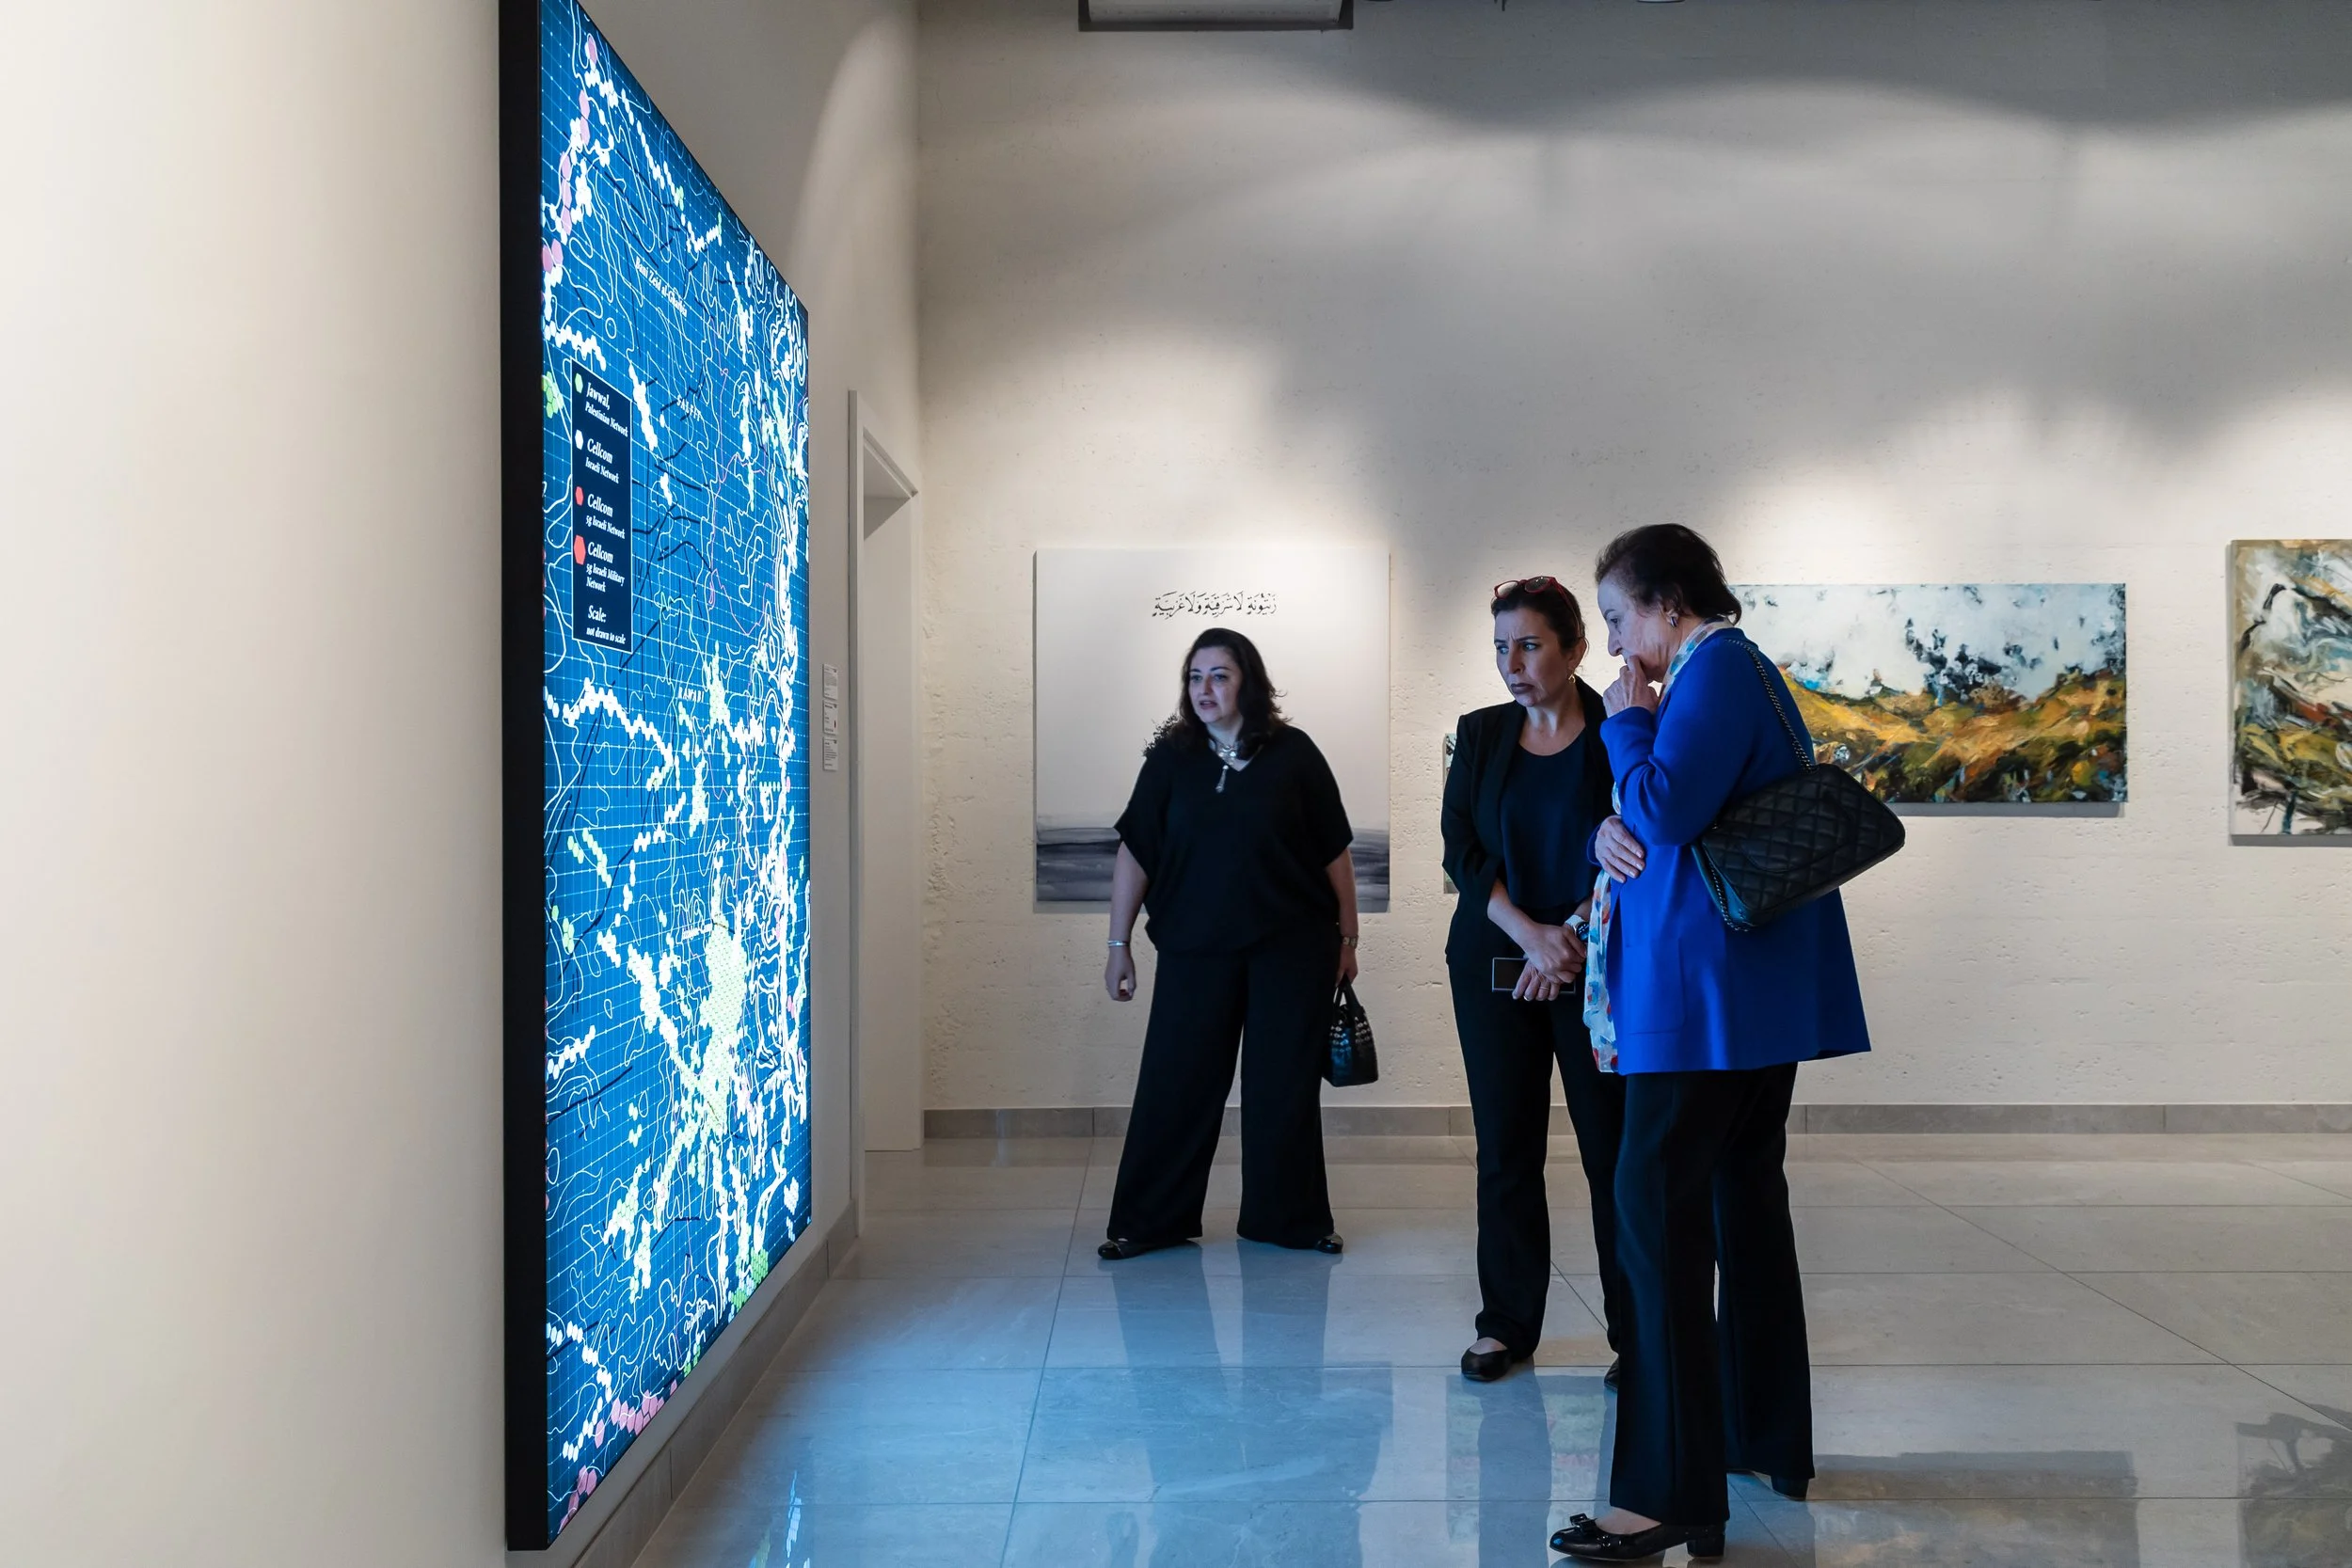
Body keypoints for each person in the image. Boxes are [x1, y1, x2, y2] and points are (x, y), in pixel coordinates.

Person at [1549, 525, 1871, 1565]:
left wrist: (1624, 728)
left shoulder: (1712, 670)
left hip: (1703, 1009)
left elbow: (1668, 806)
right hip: (1730, 1005)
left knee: (1653, 1224)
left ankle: (1665, 1494)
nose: (1610, 646)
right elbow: (1658, 819)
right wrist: (1618, 814)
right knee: (1738, 1207)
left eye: (1614, 618)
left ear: (1667, 602)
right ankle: (1757, 1434)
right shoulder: (1724, 671)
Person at [1098, 627, 1360, 1260]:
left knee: (1284, 1087)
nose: (1205, 688)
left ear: (1249, 680)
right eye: (1195, 676)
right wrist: (1118, 942)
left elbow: (1335, 854)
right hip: (1195, 949)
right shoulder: (1171, 760)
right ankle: (1150, 1221)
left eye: (1219, 674)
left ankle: (1289, 1220)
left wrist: (1348, 935)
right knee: (1176, 1081)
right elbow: (1136, 852)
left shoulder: (1294, 754)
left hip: (1292, 949)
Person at [1441, 577, 1629, 1386]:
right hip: (1495, 962)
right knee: (1506, 1151)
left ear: (1574, 648)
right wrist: (1530, 935)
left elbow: (1639, 841)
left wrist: (1570, 942)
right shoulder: (1480, 734)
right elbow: (1460, 848)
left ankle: (1638, 1331)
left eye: (1529, 645)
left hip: (1595, 967)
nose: (1512, 664)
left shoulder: (1618, 731)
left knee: (1613, 1152)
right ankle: (1506, 1323)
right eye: (1500, 648)